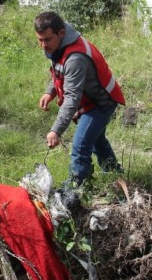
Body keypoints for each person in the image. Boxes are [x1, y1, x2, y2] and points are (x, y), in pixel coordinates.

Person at [34, 11, 126, 188]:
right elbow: (61, 74)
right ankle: (115, 176)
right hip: (90, 101)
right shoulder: (59, 45)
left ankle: (75, 189)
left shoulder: (76, 57)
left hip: (100, 103)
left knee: (80, 147)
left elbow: (71, 99)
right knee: (97, 142)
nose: (43, 45)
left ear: (61, 33)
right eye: (40, 40)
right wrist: (50, 92)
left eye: (47, 39)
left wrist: (56, 131)